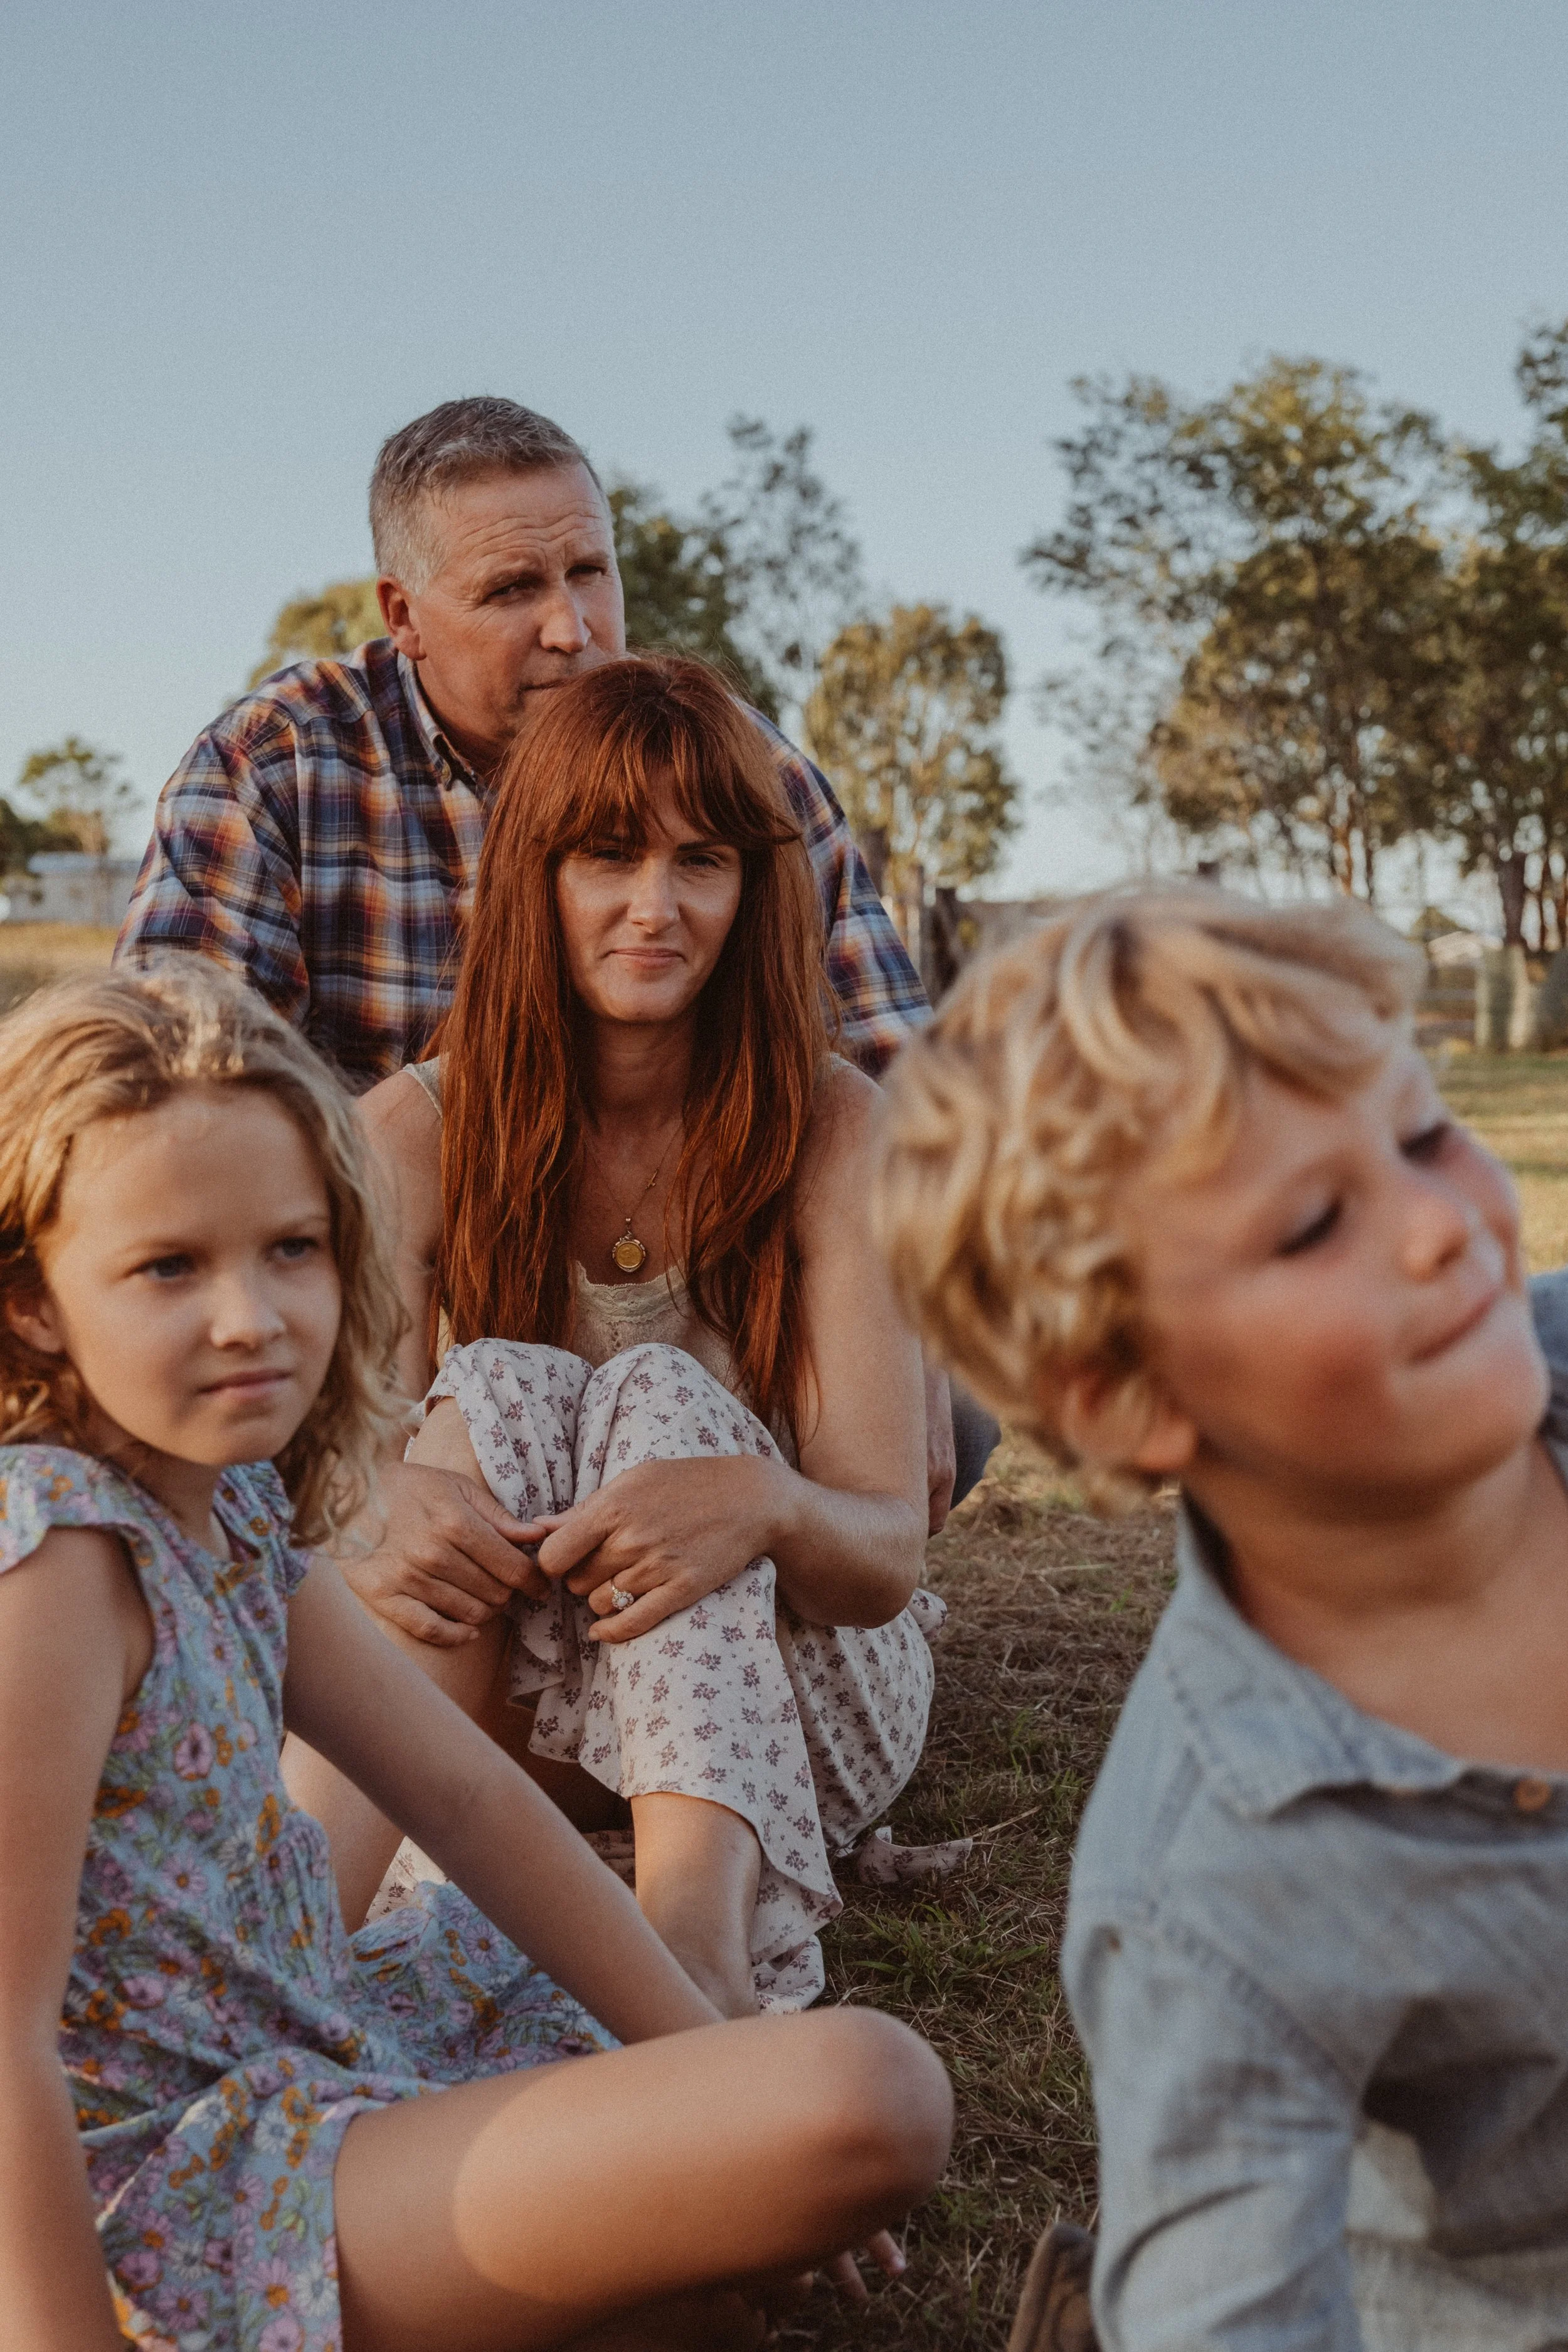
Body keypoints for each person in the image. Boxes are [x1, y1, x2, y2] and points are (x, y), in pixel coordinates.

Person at [0, 960, 954, 2352]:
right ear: (31, 1300)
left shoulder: (233, 1503)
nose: (252, 1319)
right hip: (171, 2194)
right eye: (168, 1268)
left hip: (305, 2055)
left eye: (293, 1249)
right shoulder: (61, 1557)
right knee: (869, 2094)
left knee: (576, 1990)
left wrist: (708, 2064)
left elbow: (468, 1802)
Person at [874, 884, 1568, 2352]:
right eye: (1313, 1221)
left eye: (1423, 1135)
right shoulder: (1210, 1893)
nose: (1439, 1229)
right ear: (1127, 1397)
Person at [115, 391, 992, 1550]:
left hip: (697, 1322)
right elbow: (169, 1103)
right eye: (513, 590)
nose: (574, 628)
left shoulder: (739, 766)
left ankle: (710, 1609)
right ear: (403, 615)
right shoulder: (275, 766)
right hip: (397, 1300)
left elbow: (904, 1079)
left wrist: (915, 1328)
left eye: (590, 571)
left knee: (961, 1398)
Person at [285, 654, 955, 2019]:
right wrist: (365, 1499)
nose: (652, 907)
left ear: (750, 892)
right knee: (493, 1389)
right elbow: (283, 1483)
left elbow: (886, 1549)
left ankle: (694, 1955)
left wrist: (760, 1501)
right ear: (535, 877)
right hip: (512, 1718)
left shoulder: (837, 1132)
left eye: (699, 861)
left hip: (793, 1703)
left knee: (657, 1389)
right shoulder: (407, 1136)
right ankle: (288, 1951)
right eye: (605, 856)